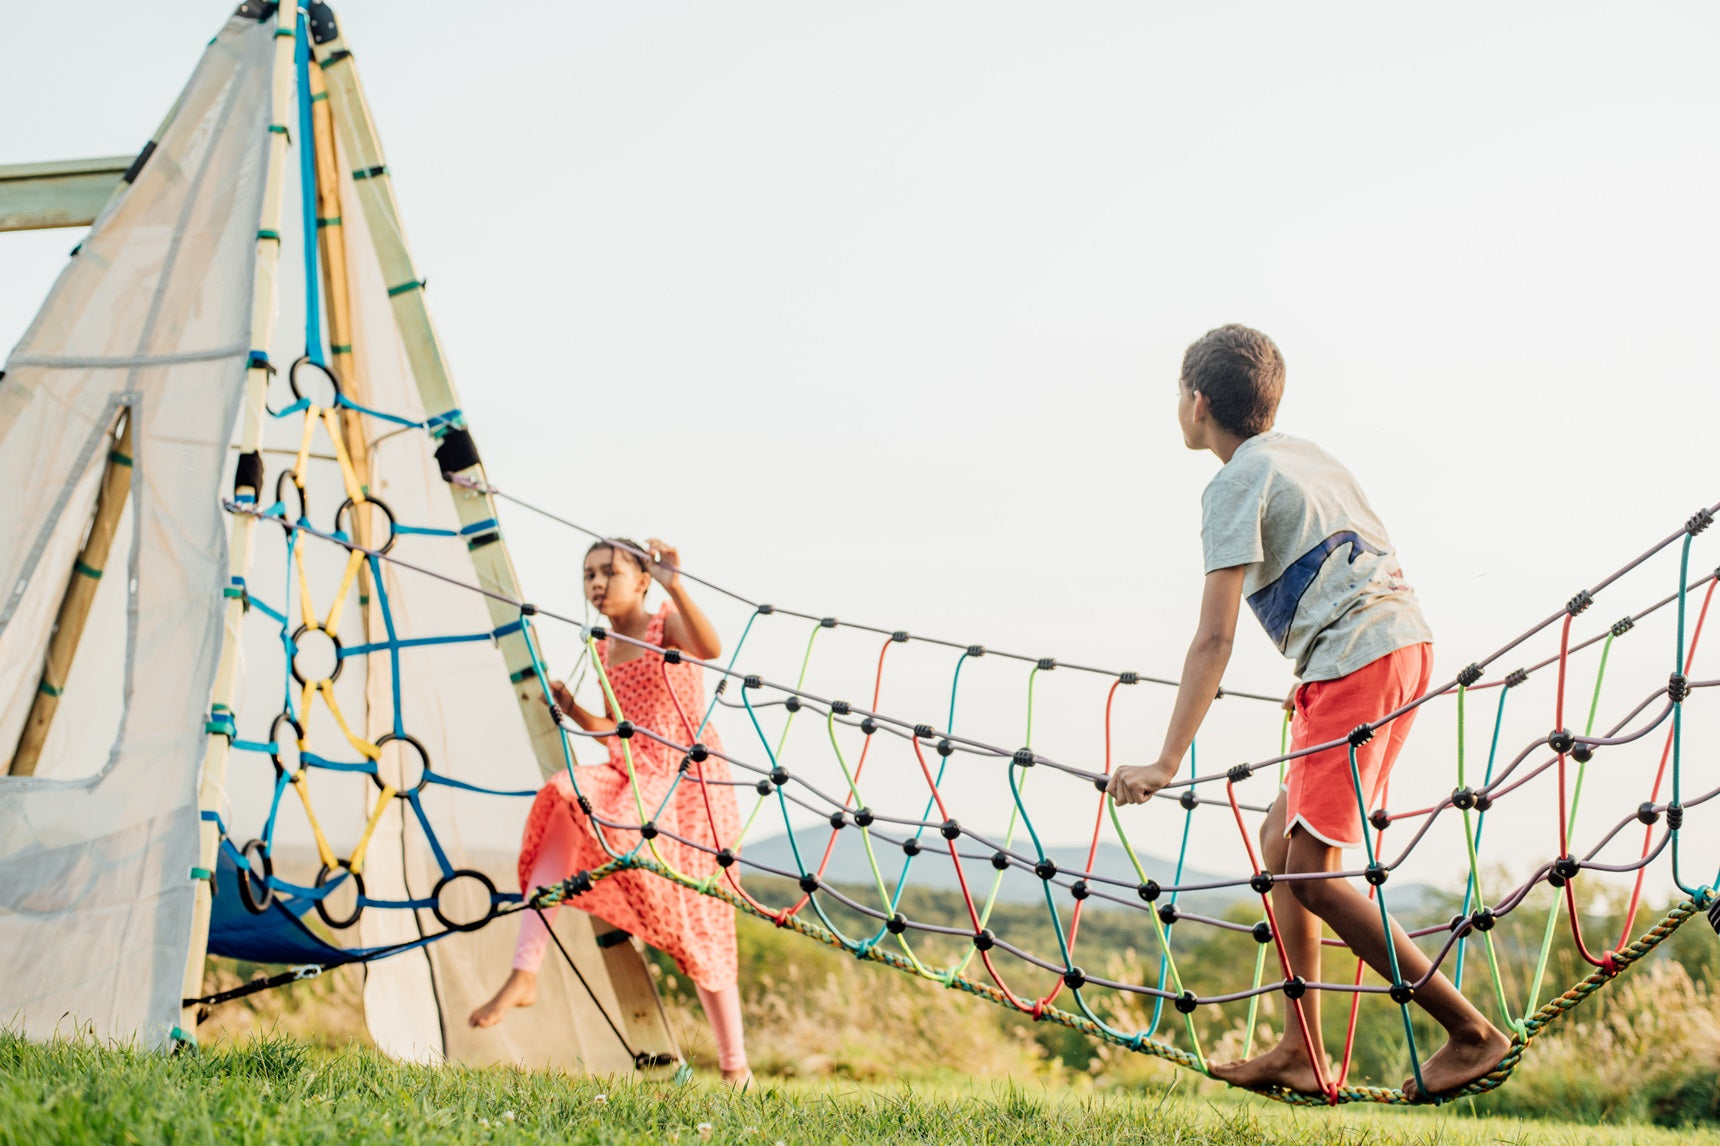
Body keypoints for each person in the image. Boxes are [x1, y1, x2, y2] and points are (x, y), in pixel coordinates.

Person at [1106, 325, 1509, 1100]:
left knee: (1314, 877)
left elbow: (1214, 636)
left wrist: (1164, 762)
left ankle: (1470, 1031)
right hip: (1394, 647)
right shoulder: (1308, 455)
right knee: (1278, 840)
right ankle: (1301, 1050)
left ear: (1196, 403)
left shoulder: (1231, 484)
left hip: (1357, 662)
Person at [469, 537, 749, 1084]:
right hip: (632, 773)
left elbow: (710, 649)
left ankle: (734, 1064)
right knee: (563, 795)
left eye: (609, 572)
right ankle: (524, 971)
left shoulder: (663, 623)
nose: (596, 584)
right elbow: (616, 728)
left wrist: (674, 582)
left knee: (702, 917)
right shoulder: (601, 647)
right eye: (588, 575)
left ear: (640, 580)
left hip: (687, 784)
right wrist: (574, 709)